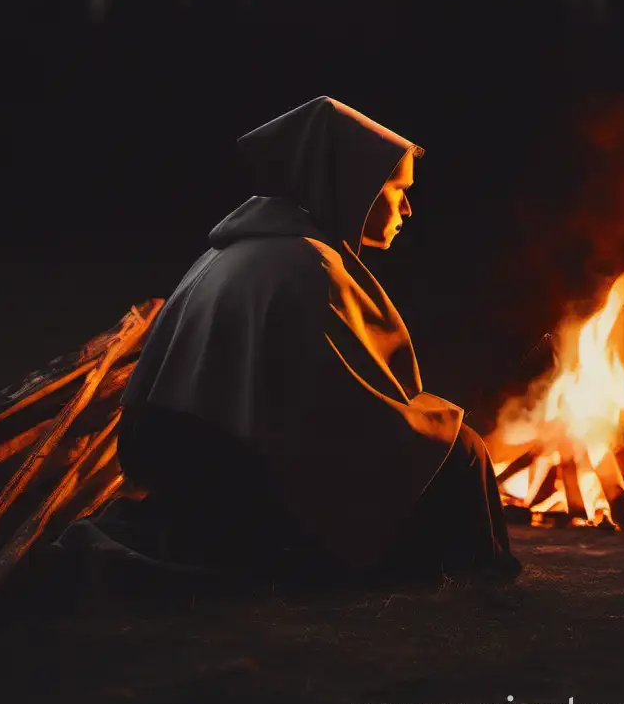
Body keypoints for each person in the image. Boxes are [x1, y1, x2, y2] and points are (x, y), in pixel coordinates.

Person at [110, 97, 518, 587]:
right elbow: (349, 423)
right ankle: (474, 577)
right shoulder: (308, 266)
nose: (408, 207)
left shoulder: (235, 249)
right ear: (352, 187)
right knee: (460, 453)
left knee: (447, 443)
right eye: (396, 189)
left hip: (200, 470)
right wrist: (437, 427)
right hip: (239, 489)